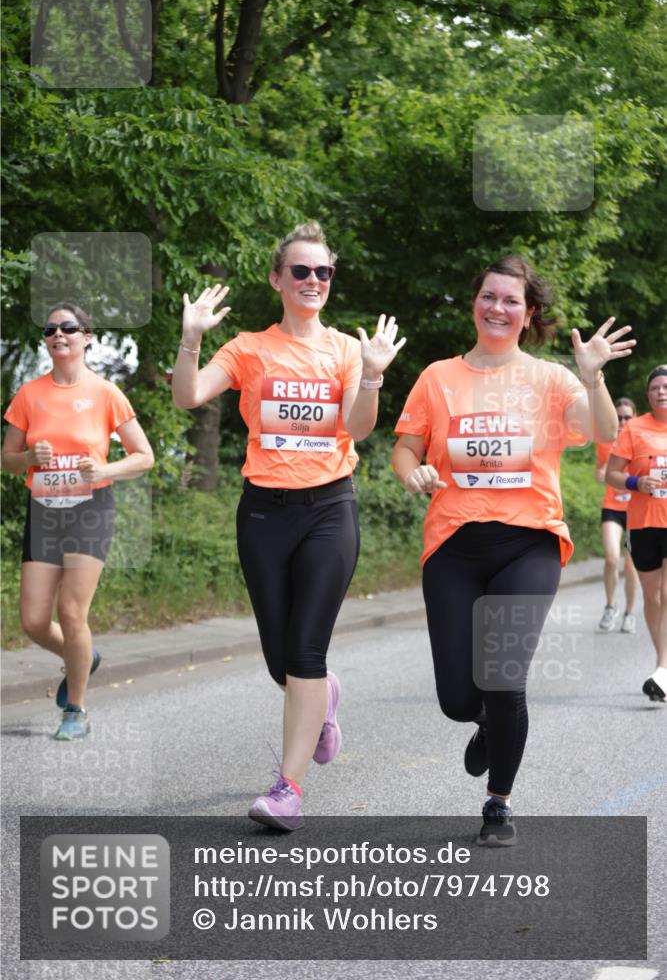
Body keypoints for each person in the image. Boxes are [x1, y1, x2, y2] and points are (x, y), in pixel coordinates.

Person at [392, 256, 634, 846]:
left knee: (504, 678)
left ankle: (498, 802)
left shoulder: (551, 379)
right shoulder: (438, 377)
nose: (498, 308)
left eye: (512, 301)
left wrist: (593, 375)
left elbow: (603, 433)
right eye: (490, 297)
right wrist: (414, 473)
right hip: (452, 544)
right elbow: (404, 449)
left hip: (529, 542)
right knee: (456, 698)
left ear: (528, 316)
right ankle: (486, 724)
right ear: (474, 302)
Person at [171, 221, 405, 830]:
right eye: (300, 271)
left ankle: (287, 790)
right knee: (282, 660)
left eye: (322, 271)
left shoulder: (347, 350)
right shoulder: (249, 347)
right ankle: (324, 700)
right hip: (263, 512)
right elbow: (188, 395)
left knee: (305, 649)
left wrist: (374, 373)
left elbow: (357, 429)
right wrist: (191, 337)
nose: (312, 281)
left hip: (329, 508)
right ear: (277, 279)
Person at [2, 303, 154, 740]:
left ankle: (76, 710)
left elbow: (145, 456)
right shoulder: (29, 394)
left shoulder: (106, 392)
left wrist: (105, 471)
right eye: (50, 330)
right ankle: (82, 656)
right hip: (44, 510)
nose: (57, 335)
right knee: (32, 620)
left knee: (71, 611)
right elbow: (7, 461)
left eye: (67, 327)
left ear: (87, 336)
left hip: (90, 510)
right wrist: (29, 458)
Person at [606, 365, 667, 702]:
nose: (662, 391)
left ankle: (662, 668)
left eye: (666, 386)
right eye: (656, 387)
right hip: (643, 523)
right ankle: (664, 663)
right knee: (653, 597)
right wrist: (636, 482)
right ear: (648, 394)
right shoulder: (635, 429)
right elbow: (612, 475)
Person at [595, 397, 639, 632]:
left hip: (636, 511)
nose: (622, 421)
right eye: (619, 416)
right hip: (612, 506)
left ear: (635, 417)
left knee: (631, 566)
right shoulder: (605, 443)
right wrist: (600, 474)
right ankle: (610, 606)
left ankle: (630, 613)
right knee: (612, 558)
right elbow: (599, 469)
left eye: (627, 417)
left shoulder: (643, 442)